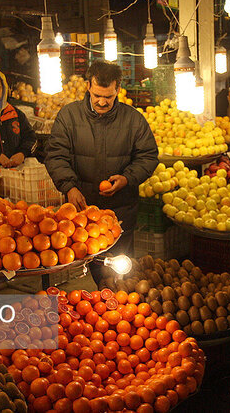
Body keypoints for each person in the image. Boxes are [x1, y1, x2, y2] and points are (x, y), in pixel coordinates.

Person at [45, 60, 158, 279]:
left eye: (108, 96)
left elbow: (148, 155)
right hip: (81, 212)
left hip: (121, 211)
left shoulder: (133, 120)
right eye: (97, 95)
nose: (102, 102)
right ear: (88, 86)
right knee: (83, 271)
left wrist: (127, 178)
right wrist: (69, 187)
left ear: (118, 90)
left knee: (121, 272)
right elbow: (55, 155)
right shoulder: (69, 117)